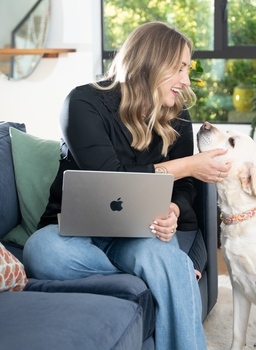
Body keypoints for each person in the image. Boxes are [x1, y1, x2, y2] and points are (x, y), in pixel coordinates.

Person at [23, 21, 231, 350]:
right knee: (41, 250)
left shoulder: (176, 114)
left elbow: (185, 188)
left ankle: (165, 274)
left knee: (156, 252)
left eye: (187, 69)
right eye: (178, 68)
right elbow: (112, 176)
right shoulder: (83, 102)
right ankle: (166, 277)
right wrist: (188, 165)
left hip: (143, 233)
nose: (186, 81)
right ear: (150, 62)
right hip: (77, 234)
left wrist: (173, 209)